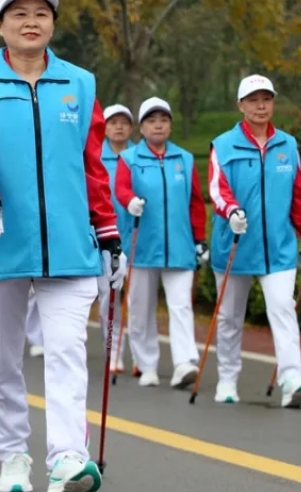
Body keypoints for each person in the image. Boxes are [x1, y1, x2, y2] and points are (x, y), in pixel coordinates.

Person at [0, 0, 125, 492]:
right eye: (20, 13)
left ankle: (68, 456)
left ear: (53, 24)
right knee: (1, 359)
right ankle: (13, 458)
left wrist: (108, 232)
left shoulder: (80, 84)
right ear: (0, 25)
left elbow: (93, 164)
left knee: (67, 351)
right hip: (1, 242)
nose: (31, 21)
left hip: (70, 245)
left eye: (42, 13)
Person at [206, 74, 301, 408]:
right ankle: (227, 379)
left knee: (283, 308)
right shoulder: (222, 145)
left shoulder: (288, 145)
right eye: (253, 100)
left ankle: (292, 379)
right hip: (235, 246)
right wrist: (231, 210)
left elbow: (298, 195)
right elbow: (217, 189)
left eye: (266, 99)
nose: (260, 106)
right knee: (229, 318)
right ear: (240, 105)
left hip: (279, 248)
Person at [115, 97, 207, 389]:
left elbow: (195, 203)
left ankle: (184, 362)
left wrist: (200, 239)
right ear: (141, 128)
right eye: (152, 120)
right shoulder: (129, 159)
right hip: (142, 246)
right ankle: (147, 364)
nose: (158, 125)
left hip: (179, 246)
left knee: (181, 306)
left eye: (164, 120)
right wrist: (130, 201)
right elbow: (120, 188)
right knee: (141, 309)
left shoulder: (184, 159)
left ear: (170, 125)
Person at [100, 104, 136, 374]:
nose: (119, 127)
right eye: (113, 123)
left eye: (124, 122)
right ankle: (113, 352)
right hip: (105, 239)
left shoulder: (139, 156)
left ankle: (141, 357)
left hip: (136, 238)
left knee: (137, 301)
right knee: (109, 297)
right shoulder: (93, 156)